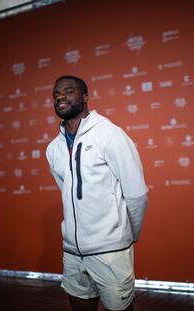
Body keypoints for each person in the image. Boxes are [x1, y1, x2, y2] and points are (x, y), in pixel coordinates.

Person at [46, 75, 148, 311]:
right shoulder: (53, 149)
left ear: (85, 97)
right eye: (56, 94)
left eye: (68, 91)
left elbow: (136, 194)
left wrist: (127, 235)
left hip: (110, 251)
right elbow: (68, 193)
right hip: (72, 251)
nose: (60, 96)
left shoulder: (110, 134)